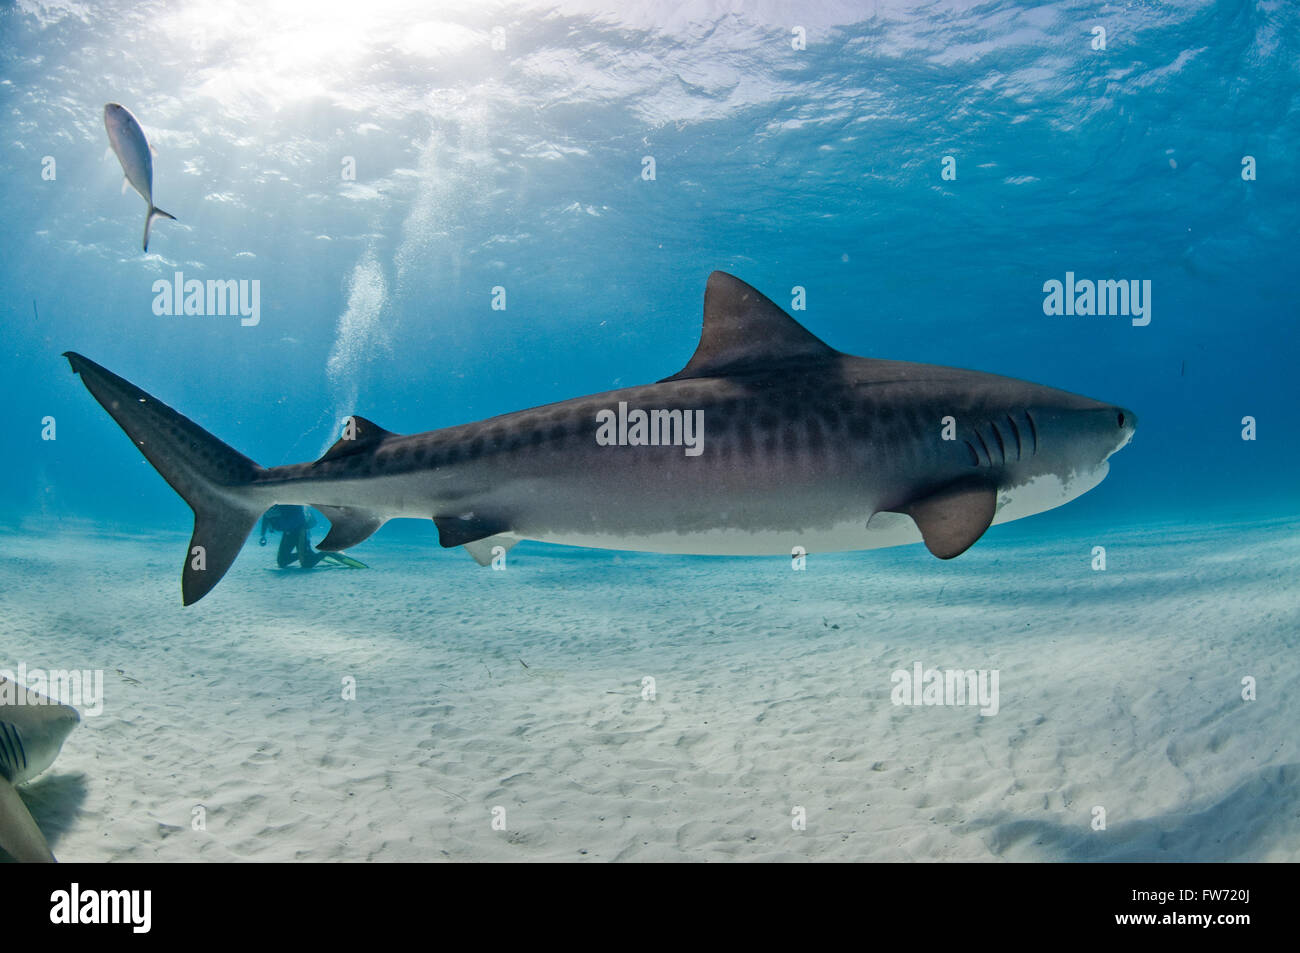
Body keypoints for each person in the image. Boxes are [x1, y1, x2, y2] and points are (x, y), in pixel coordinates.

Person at [259, 505, 367, 569]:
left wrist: (292, 528)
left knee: (306, 564)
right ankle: (308, 554)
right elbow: (265, 518)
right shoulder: (269, 507)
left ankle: (327, 552)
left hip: (301, 529)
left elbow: (301, 516)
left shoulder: (287, 505)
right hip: (289, 532)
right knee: (282, 562)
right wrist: (263, 535)